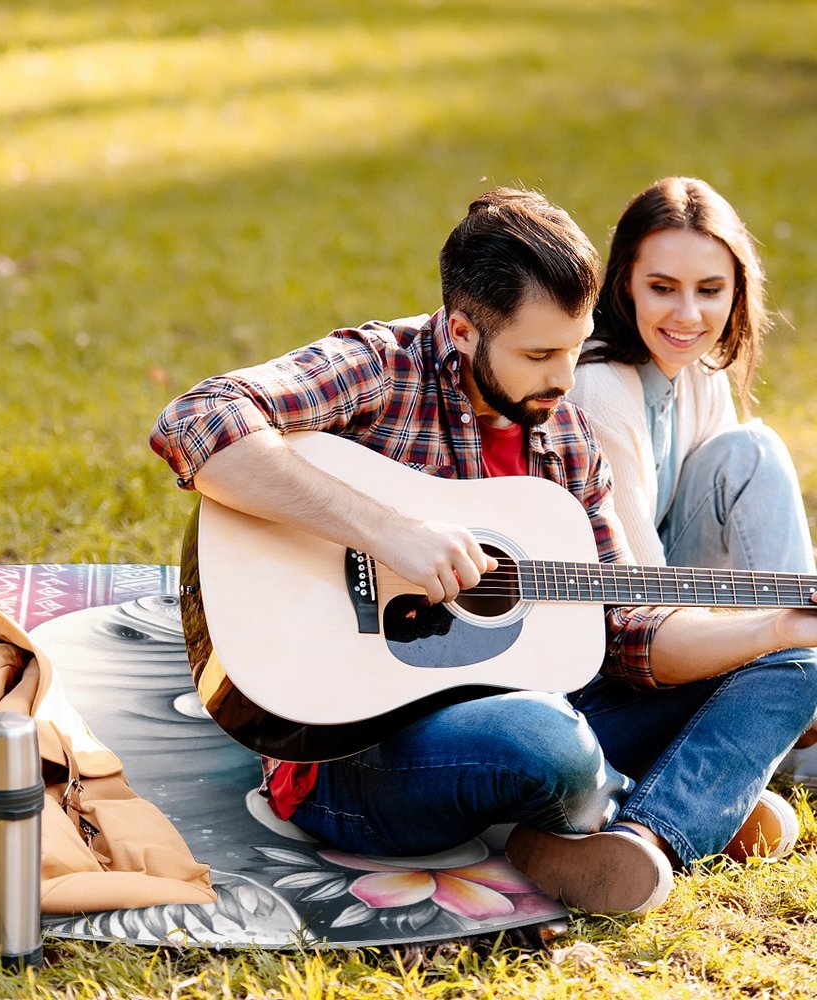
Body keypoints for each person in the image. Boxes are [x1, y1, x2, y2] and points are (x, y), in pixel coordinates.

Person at [150, 188, 817, 916]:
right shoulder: (381, 367)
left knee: (798, 664)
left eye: (574, 346)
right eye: (538, 354)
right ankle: (668, 795)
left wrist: (773, 628)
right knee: (545, 742)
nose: (565, 380)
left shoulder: (564, 435)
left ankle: (647, 836)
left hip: (542, 708)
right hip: (351, 752)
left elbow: (627, 629)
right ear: (463, 331)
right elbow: (197, 419)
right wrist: (385, 530)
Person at [570, 176, 817, 793]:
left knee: (749, 451)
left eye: (710, 290)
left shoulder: (698, 370)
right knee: (754, 451)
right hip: (611, 644)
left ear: (737, 292)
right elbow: (640, 601)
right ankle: (794, 704)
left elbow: (738, 520)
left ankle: (794, 697)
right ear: (624, 281)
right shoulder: (600, 386)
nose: (689, 315)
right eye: (662, 288)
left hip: (673, 606)